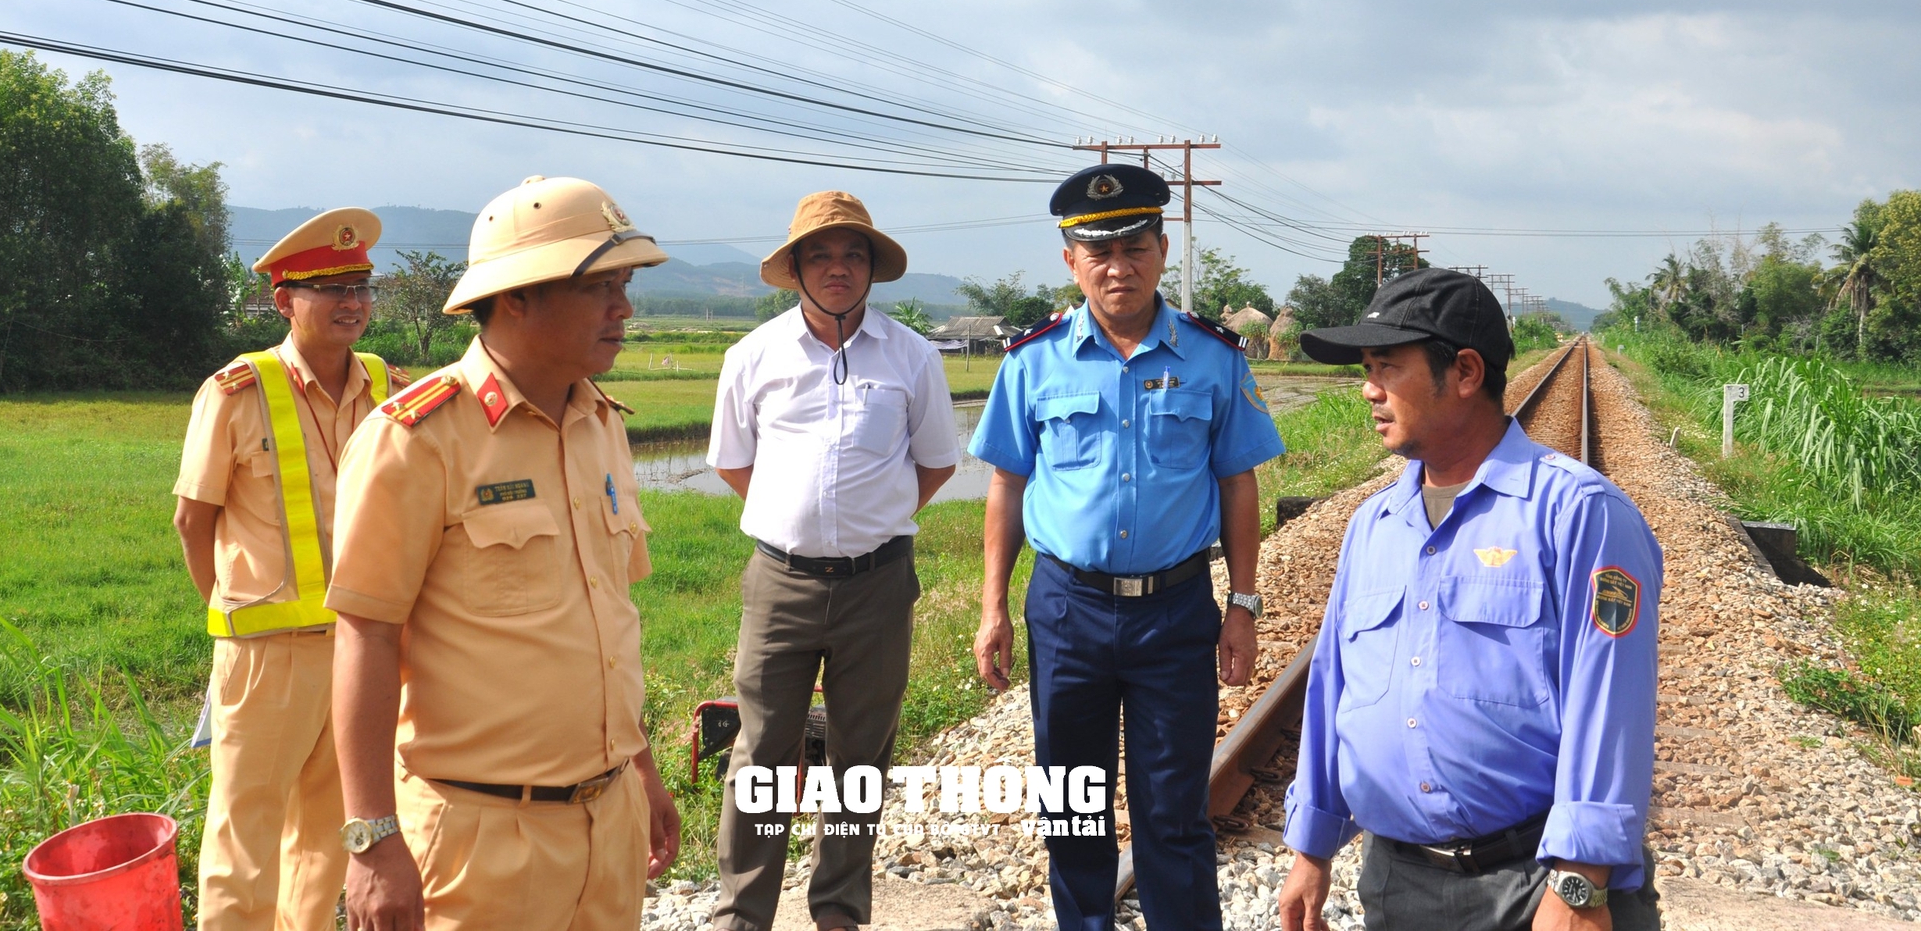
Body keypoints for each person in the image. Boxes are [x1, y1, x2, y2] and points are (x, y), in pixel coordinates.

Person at [326, 176, 682, 931]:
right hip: (481, 842)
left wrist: (640, 769)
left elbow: (606, 621)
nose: (624, 308)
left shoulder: (602, 423)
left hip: (607, 821)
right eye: (602, 288)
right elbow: (367, 634)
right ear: (518, 296)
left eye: (625, 286)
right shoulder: (415, 440)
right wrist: (371, 841)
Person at [1276, 269, 1663, 931]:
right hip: (1397, 884)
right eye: (1366, 368)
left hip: (1535, 883)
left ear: (1463, 372)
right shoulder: (1374, 525)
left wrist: (1581, 884)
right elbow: (1334, 686)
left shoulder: (1579, 514)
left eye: (1386, 368)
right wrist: (1311, 848)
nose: (1368, 390)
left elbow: (1610, 700)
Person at [967, 164, 1285, 931]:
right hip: (1067, 609)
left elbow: (1239, 485)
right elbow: (1007, 486)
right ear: (1070, 260)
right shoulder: (1032, 361)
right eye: (1098, 251)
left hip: (1175, 613)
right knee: (1071, 808)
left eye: (1135, 246)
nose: (1120, 266)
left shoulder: (1214, 358)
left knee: (1174, 812)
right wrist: (992, 609)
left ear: (1163, 249)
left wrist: (1241, 606)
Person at [707, 191, 962, 931]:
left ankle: (840, 909)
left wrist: (869, 519)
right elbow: (732, 464)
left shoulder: (911, 355)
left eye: (853, 254)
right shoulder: (753, 356)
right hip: (779, 581)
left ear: (873, 268)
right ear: (794, 270)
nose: (838, 268)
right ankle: (742, 914)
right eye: (819, 254)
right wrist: (797, 523)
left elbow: (937, 464)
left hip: (878, 584)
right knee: (760, 752)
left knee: (860, 756)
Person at [173, 208, 409, 931]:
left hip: (360, 651)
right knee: (244, 834)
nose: (353, 302)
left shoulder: (388, 386)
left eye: (362, 285)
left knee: (326, 837)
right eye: (330, 287)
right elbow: (193, 518)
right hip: (266, 656)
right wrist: (234, 617)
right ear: (284, 301)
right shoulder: (236, 391)